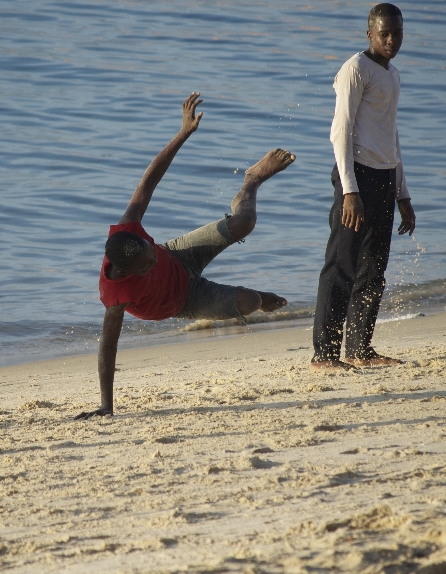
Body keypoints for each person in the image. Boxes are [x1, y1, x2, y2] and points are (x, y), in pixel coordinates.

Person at [76, 92, 295, 420]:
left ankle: (251, 180)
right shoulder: (115, 298)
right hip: (185, 301)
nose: (153, 261)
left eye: (151, 252)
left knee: (245, 222)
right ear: (125, 271)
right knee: (250, 302)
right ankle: (259, 297)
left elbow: (150, 178)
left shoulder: (129, 230)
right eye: (147, 263)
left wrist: (184, 132)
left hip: (180, 255)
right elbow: (107, 350)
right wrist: (107, 405)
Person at [311, 3, 417, 372]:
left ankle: (359, 348)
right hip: (355, 176)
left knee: (374, 268)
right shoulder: (355, 69)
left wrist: (403, 194)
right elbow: (339, 131)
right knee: (341, 266)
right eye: (384, 33)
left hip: (385, 178)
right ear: (369, 34)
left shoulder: (393, 75)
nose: (391, 40)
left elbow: (392, 136)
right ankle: (323, 354)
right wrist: (349, 190)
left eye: (397, 33)